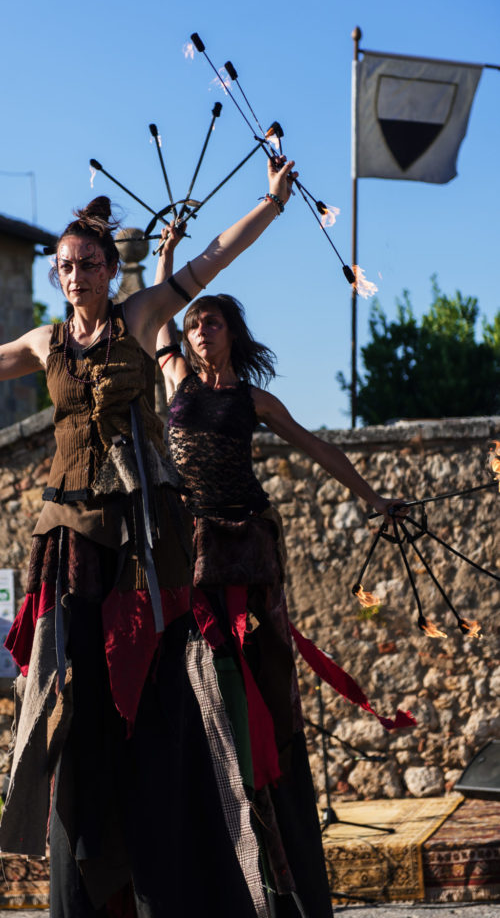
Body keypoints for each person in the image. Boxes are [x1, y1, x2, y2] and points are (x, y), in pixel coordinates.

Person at [0, 157, 300, 918]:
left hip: (138, 535)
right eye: (63, 267)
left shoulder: (140, 318)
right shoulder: (45, 341)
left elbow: (212, 258)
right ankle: (85, 853)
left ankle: (171, 852)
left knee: (152, 691)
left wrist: (272, 203)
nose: (73, 276)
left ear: (107, 267)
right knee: (74, 693)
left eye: (86, 265)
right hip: (66, 534)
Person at [153, 229, 411, 918]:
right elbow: (155, 315)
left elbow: (321, 448)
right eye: (194, 321)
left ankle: (278, 854)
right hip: (192, 547)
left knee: (263, 684)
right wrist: (169, 253)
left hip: (247, 552)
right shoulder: (174, 376)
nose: (200, 329)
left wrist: (374, 498)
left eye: (212, 321)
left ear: (232, 334)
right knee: (193, 682)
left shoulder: (256, 403)